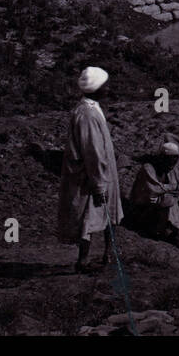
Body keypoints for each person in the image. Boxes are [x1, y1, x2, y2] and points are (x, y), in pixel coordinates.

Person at [57, 67, 123, 273]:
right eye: (106, 84)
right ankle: (83, 261)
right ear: (97, 88)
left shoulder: (92, 110)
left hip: (102, 173)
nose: (109, 88)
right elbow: (92, 151)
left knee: (107, 214)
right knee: (89, 217)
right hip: (92, 176)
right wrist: (99, 182)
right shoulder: (87, 114)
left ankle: (107, 256)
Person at [126, 141, 179, 251]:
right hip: (141, 212)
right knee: (169, 200)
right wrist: (175, 188)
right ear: (161, 158)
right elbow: (154, 191)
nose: (171, 165)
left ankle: (177, 230)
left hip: (159, 208)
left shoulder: (173, 169)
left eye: (174, 161)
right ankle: (176, 235)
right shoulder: (148, 169)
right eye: (168, 161)